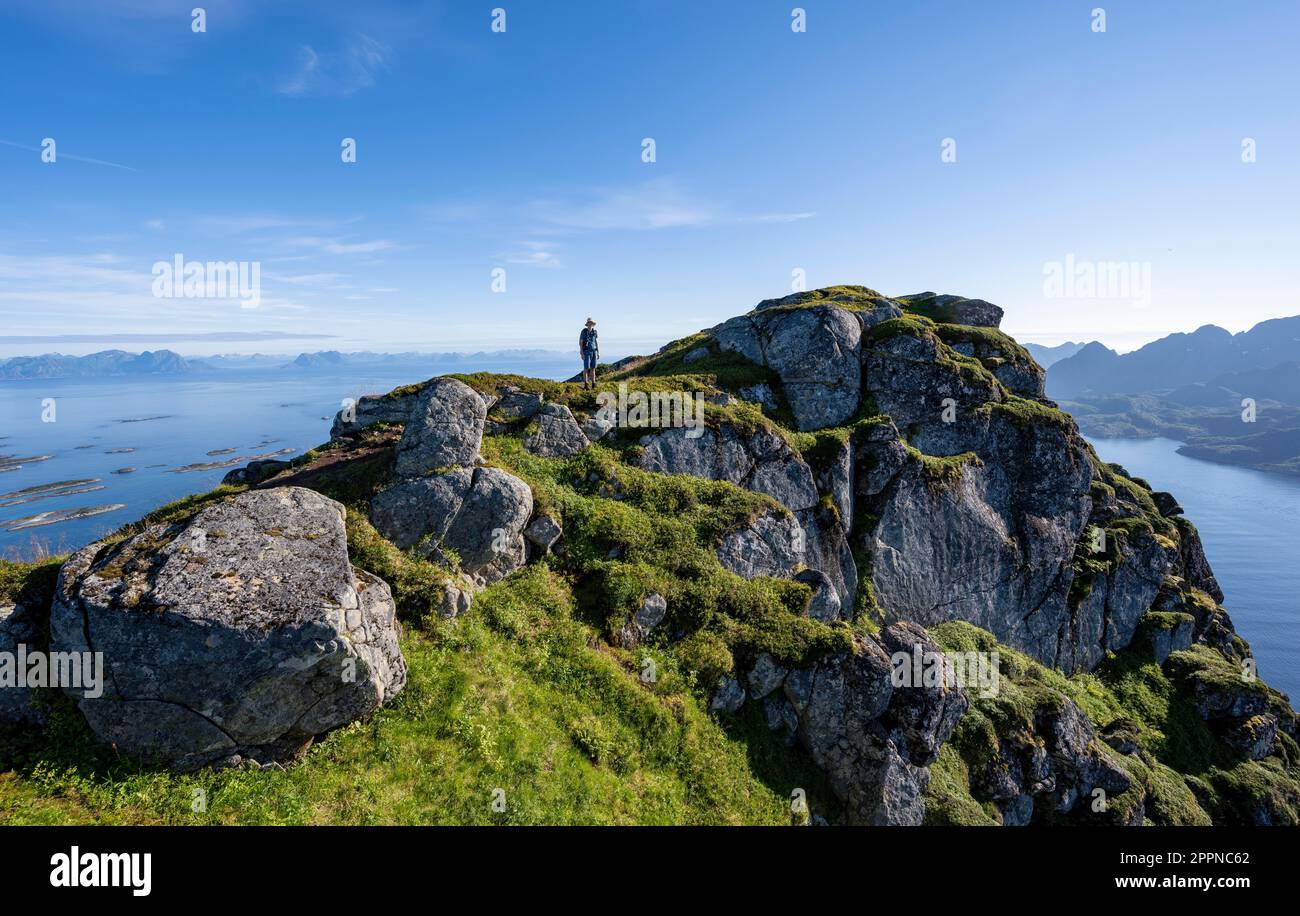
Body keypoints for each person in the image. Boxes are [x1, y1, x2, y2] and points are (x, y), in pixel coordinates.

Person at [579, 317, 599, 389]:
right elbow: (581, 342)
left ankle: (593, 384)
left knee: (593, 368)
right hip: (586, 351)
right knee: (586, 368)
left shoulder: (595, 332)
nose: (590, 324)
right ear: (587, 324)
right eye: (589, 323)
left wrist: (598, 351)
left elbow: (595, 342)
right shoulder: (584, 331)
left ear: (593, 324)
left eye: (591, 323)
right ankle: (586, 384)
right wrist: (581, 352)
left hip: (594, 351)